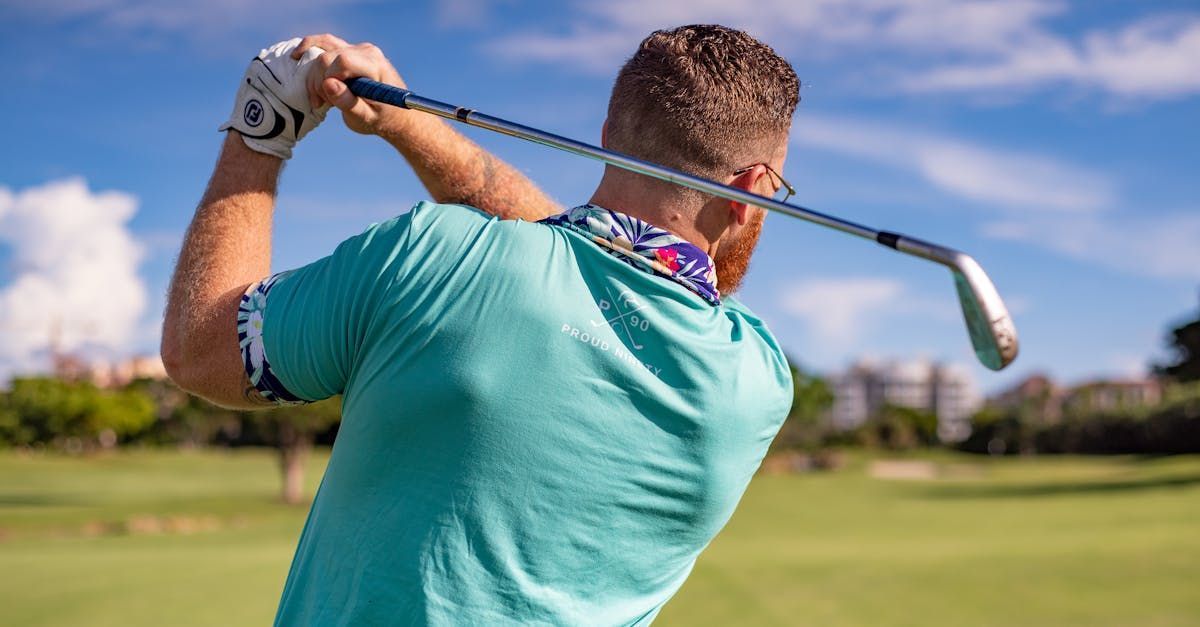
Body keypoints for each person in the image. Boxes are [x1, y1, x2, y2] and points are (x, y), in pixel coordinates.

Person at [162, 24, 800, 625]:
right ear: (755, 189)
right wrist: (406, 123)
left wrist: (263, 124)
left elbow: (200, 349)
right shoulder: (755, 380)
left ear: (608, 133)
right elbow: (596, 257)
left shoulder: (430, 253)